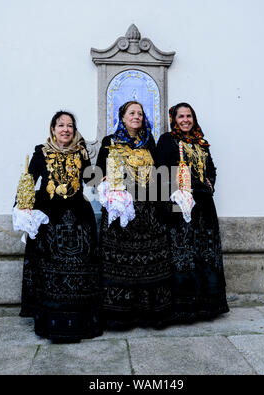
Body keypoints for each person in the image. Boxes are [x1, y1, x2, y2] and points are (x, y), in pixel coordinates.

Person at [16, 111, 103, 342]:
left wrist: (106, 180)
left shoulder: (81, 151)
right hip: (49, 219)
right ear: (52, 128)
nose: (66, 129)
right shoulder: (41, 152)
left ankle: (80, 323)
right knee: (50, 270)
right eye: (61, 125)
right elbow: (28, 181)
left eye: (70, 126)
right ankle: (52, 323)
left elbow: (89, 179)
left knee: (79, 270)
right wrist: (21, 205)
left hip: (79, 218)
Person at [96, 101, 173, 330]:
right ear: (122, 116)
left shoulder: (149, 142)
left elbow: (160, 173)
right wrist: (103, 180)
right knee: (122, 265)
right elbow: (96, 174)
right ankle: (120, 317)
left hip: (149, 213)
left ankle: (150, 314)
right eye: (132, 113)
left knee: (149, 264)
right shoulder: (110, 142)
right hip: (123, 213)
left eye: (140, 113)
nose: (136, 116)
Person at [155, 102, 229, 323]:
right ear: (173, 119)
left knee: (205, 254)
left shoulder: (201, 143)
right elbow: (159, 170)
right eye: (181, 116)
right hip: (181, 205)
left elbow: (211, 169)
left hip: (204, 207)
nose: (185, 120)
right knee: (183, 253)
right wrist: (172, 195)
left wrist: (209, 186)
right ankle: (184, 309)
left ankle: (208, 306)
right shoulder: (167, 140)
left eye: (189, 116)